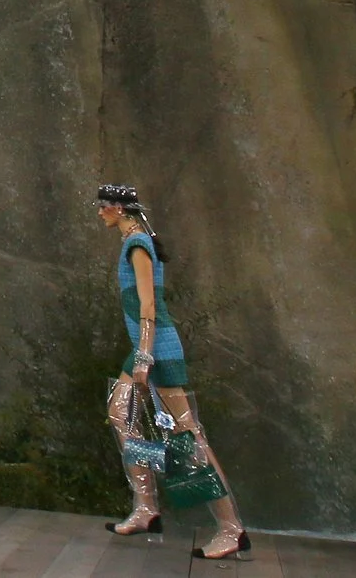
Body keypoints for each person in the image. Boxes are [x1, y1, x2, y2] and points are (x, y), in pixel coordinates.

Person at [95, 184, 246, 560]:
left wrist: (145, 356)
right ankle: (146, 507)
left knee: (189, 435)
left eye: (104, 206)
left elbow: (148, 305)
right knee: (120, 412)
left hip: (157, 348)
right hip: (143, 347)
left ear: (120, 209)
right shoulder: (133, 241)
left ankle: (231, 528)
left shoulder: (138, 244)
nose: (100, 212)